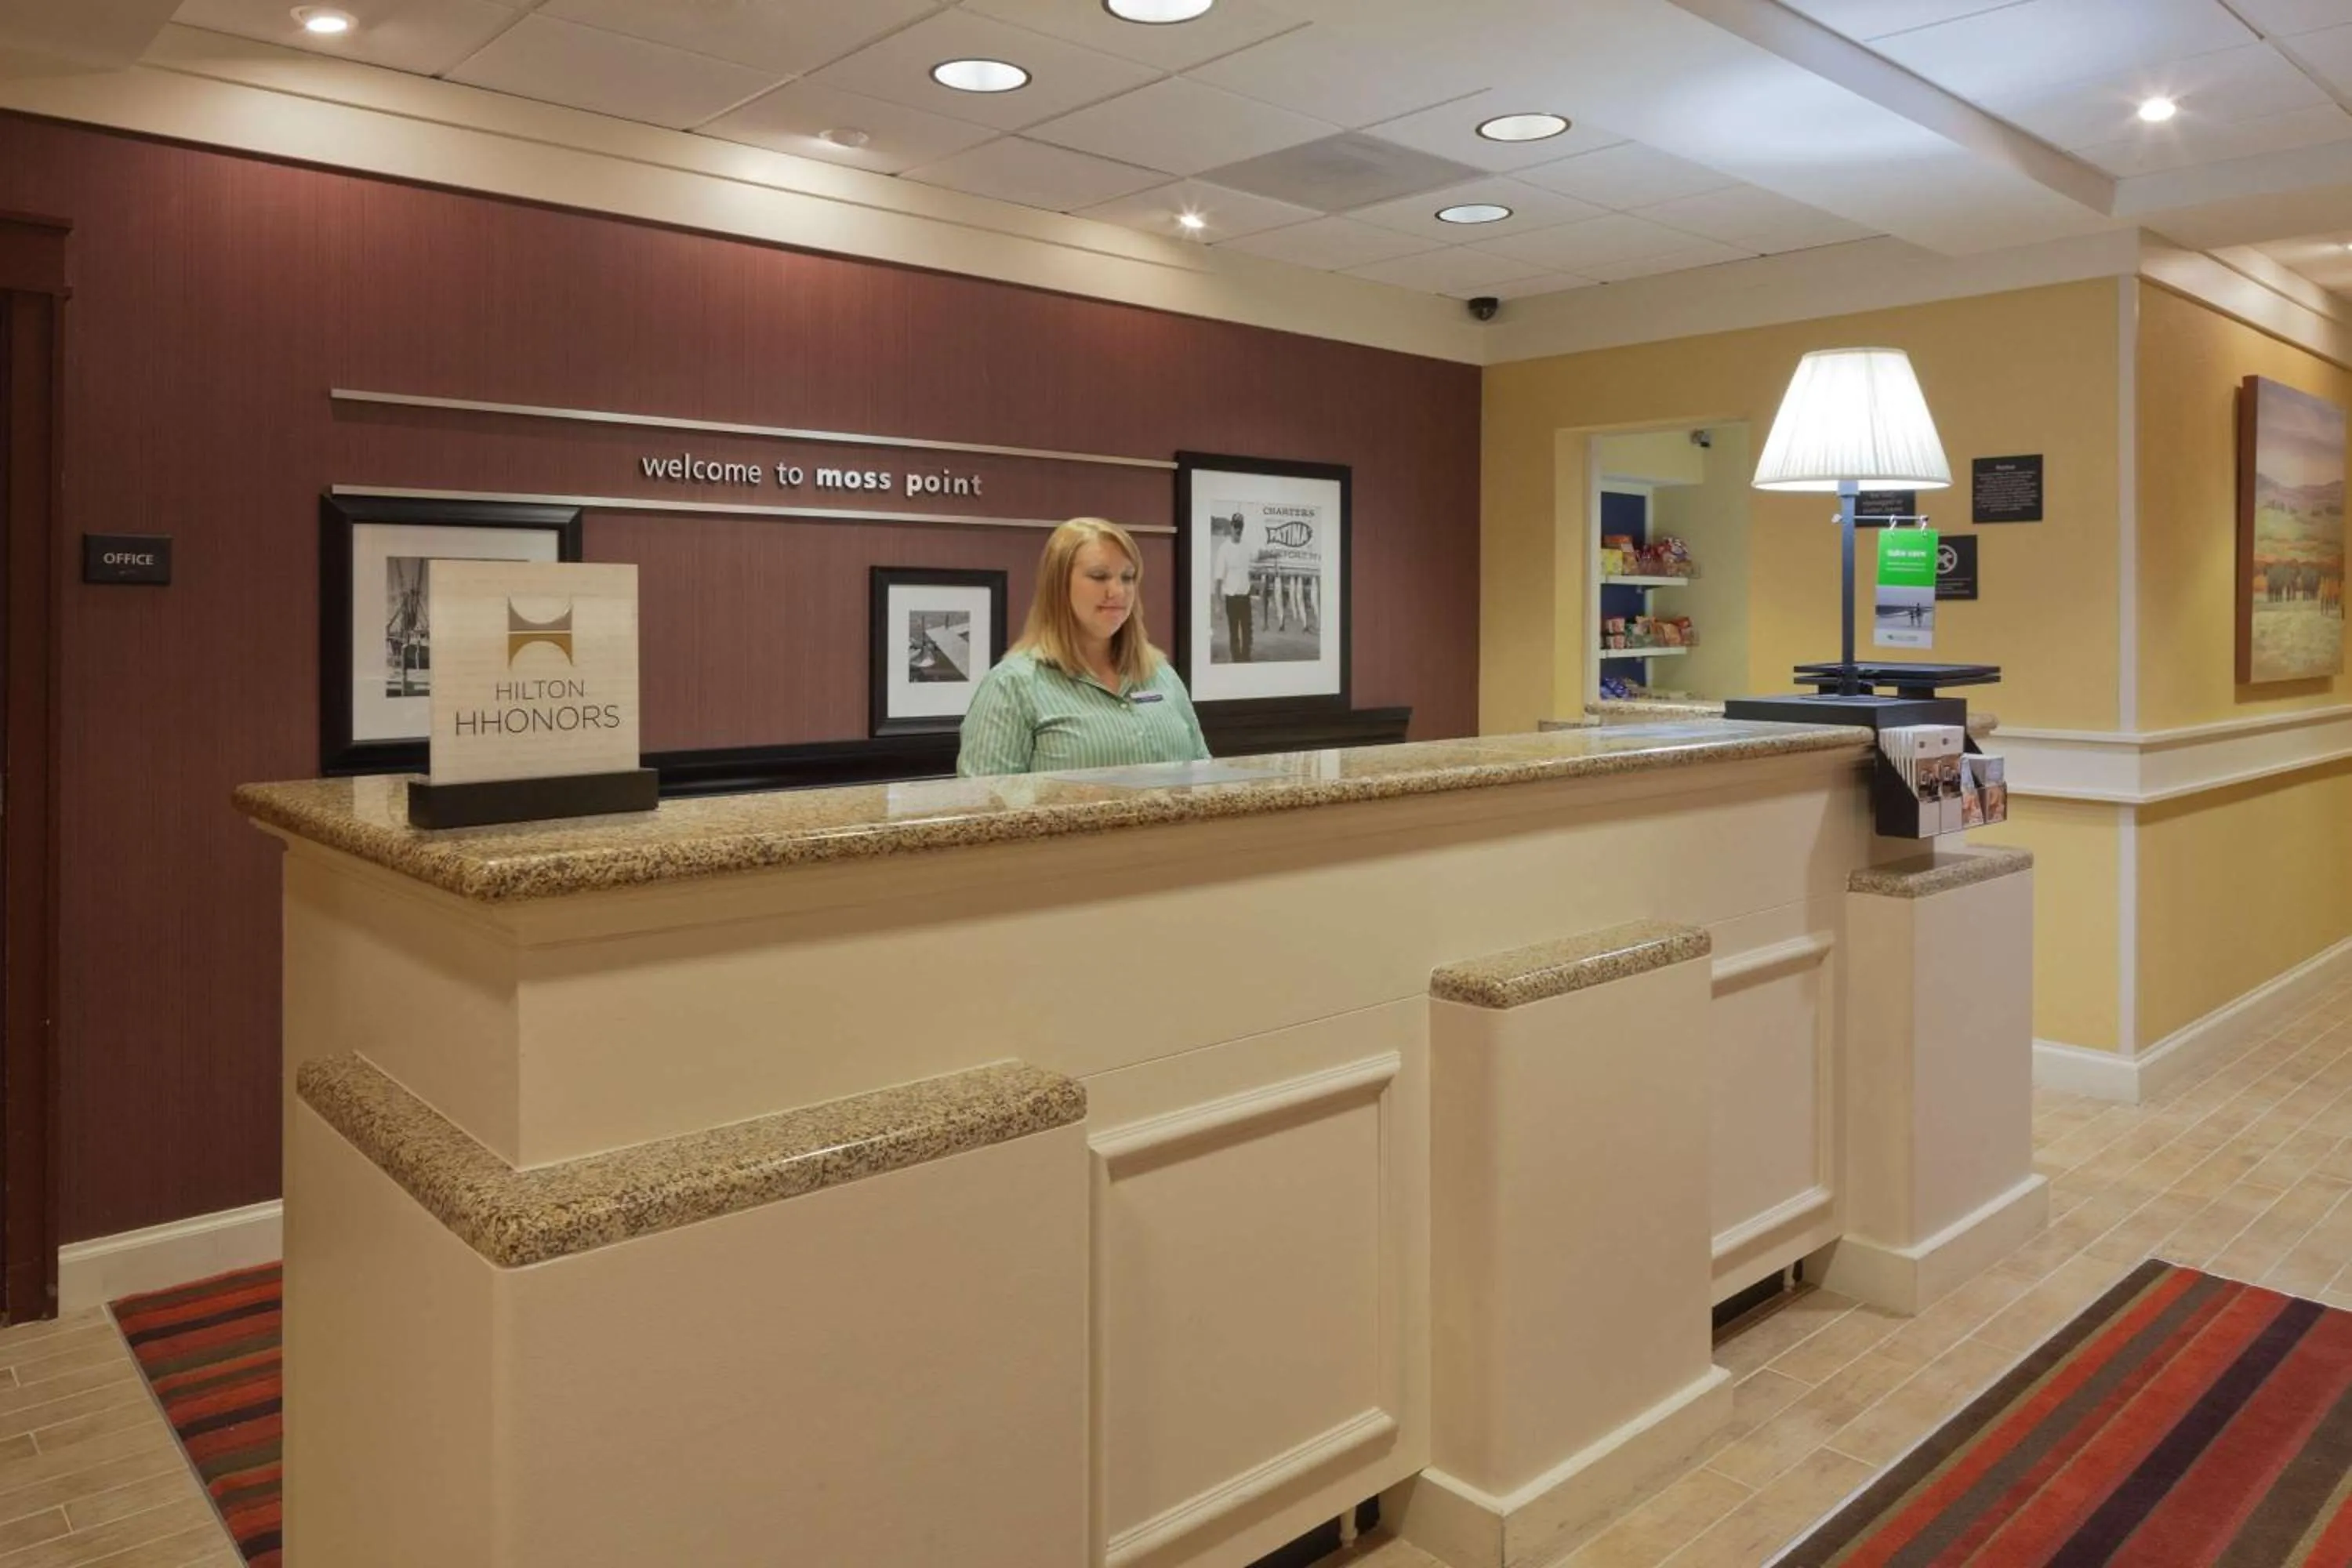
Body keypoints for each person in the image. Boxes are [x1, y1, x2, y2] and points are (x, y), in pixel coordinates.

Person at [957, 517, 1212, 777]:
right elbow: (987, 799)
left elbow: (1204, 775)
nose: (1118, 591)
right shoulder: (1012, 686)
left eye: (1127, 577)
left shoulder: (1161, 675)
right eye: (1099, 576)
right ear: (1058, 586)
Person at [1211, 514, 1254, 662]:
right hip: (1232, 598)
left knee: (1248, 632)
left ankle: (1246, 660)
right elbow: (1218, 578)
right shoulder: (1224, 549)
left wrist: (1271, 554)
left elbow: (1256, 558)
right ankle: (1236, 660)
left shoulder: (1247, 547)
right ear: (1231, 527)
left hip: (1245, 596)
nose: (1238, 529)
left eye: (1240, 526)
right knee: (1234, 633)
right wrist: (1217, 603)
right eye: (1236, 526)